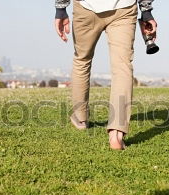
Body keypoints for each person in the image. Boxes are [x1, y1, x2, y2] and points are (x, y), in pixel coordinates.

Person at [54, 0, 157, 150]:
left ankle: (81, 118)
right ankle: (117, 132)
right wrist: (146, 11)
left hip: (86, 7)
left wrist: (61, 8)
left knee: (82, 60)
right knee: (123, 66)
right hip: (124, 8)